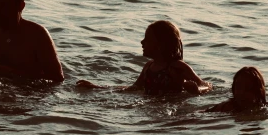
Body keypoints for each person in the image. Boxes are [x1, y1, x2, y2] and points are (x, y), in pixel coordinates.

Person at [77, 20, 211, 95]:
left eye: (147, 39)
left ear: (160, 45)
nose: (142, 42)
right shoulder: (148, 67)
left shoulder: (178, 67)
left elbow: (207, 86)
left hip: (172, 107)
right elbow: (133, 88)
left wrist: (197, 90)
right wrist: (97, 88)